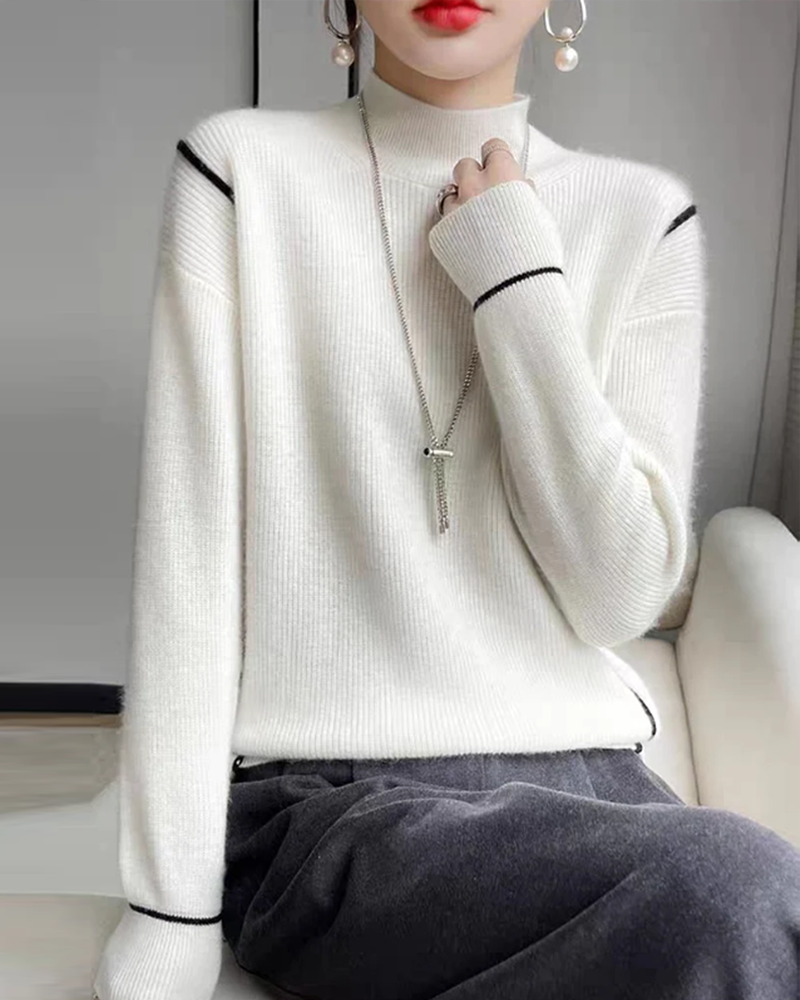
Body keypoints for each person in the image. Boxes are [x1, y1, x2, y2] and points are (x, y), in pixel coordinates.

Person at [93, 1, 800, 998]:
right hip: (329, 808)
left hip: (599, 791)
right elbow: (187, 570)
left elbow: (617, 595)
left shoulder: (640, 215)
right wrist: (168, 914)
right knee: (738, 892)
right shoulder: (242, 173)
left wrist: (517, 279)